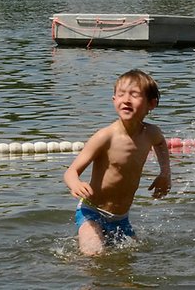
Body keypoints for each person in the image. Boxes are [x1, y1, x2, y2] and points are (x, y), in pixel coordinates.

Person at [63, 69, 172, 255]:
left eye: (134, 95)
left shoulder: (151, 133)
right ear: (114, 100)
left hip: (121, 218)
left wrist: (165, 173)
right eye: (121, 94)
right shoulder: (105, 137)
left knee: (131, 258)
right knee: (94, 255)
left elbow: (161, 144)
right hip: (92, 211)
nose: (126, 99)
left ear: (151, 104)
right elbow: (70, 171)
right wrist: (75, 184)